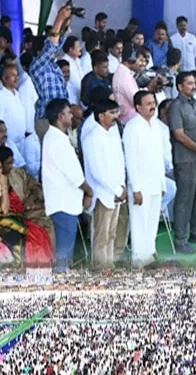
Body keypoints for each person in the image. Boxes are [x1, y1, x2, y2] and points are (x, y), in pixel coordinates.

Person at [0, 152, 53, 266]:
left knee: (39, 232)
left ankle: (43, 269)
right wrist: (4, 185)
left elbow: (5, 204)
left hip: (0, 219)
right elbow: (4, 209)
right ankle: (27, 268)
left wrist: (1, 186)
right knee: (29, 239)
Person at [41, 99, 92, 271]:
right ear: (60, 116)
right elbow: (75, 176)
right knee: (64, 250)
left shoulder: (56, 137)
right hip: (63, 203)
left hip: (64, 201)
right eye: (69, 113)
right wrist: (89, 191)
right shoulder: (57, 140)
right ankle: (60, 287)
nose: (72, 116)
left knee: (66, 249)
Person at [168, 72, 196, 255]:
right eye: (189, 83)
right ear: (179, 87)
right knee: (184, 199)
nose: (193, 86)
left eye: (194, 83)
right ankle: (180, 239)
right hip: (185, 159)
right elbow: (179, 135)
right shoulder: (176, 107)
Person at [123, 91, 165, 267]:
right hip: (140, 185)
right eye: (147, 103)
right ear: (138, 107)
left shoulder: (156, 125)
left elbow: (159, 156)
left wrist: (162, 183)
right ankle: (139, 261)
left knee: (153, 221)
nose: (152, 106)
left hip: (156, 181)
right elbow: (130, 160)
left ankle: (149, 254)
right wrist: (136, 188)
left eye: (153, 102)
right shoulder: (132, 127)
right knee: (140, 222)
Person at [83, 99, 126, 267]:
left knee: (112, 235)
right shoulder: (93, 138)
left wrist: (121, 187)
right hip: (103, 194)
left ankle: (109, 268)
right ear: (101, 116)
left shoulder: (112, 133)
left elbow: (120, 162)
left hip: (116, 192)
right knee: (102, 238)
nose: (116, 116)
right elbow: (98, 172)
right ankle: (101, 273)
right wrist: (116, 189)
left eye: (117, 112)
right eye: (112, 113)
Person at [31, 6, 74, 119]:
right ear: (40, 51)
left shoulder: (53, 64)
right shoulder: (36, 67)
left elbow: (61, 39)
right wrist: (59, 19)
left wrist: (68, 18)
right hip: (46, 120)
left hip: (61, 119)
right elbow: (51, 46)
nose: (55, 50)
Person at [0, 64, 27, 151]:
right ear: (4, 78)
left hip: (22, 142)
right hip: (8, 144)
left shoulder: (17, 94)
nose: (16, 78)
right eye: (13, 75)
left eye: (17, 75)